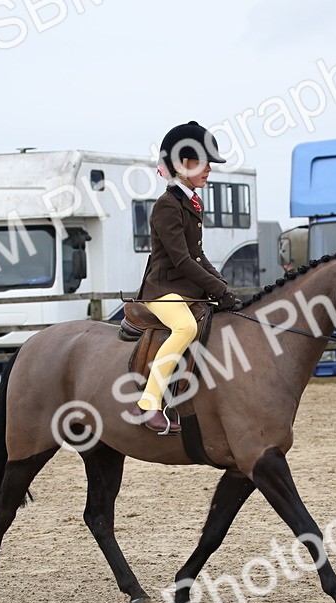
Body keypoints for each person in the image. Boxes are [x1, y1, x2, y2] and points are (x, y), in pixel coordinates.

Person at [130, 121, 241, 434]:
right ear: (183, 165)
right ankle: (149, 403)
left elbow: (199, 256)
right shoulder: (166, 206)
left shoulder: (192, 201)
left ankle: (184, 398)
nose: (209, 170)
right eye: (204, 164)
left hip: (185, 287)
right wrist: (217, 288)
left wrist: (223, 288)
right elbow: (181, 260)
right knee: (185, 327)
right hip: (162, 289)